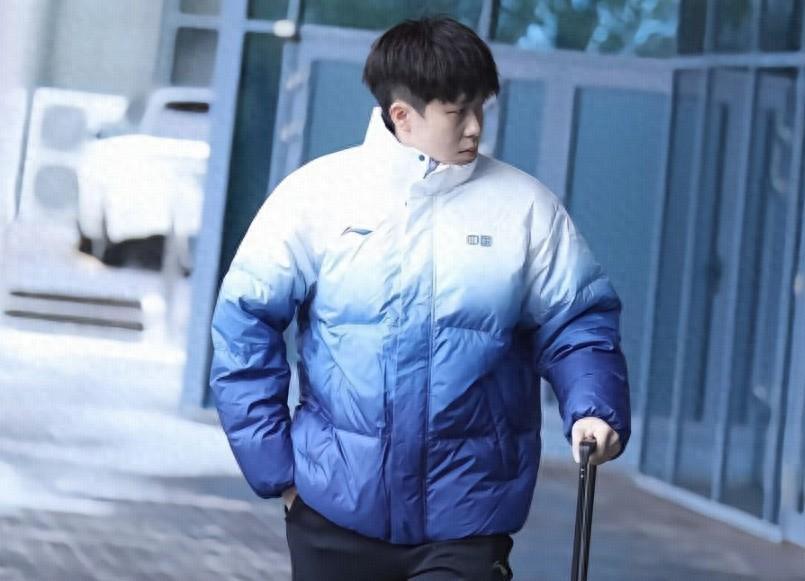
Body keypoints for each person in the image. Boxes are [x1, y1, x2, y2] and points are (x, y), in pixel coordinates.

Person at [210, 16, 630, 581]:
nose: (475, 128)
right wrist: (280, 472)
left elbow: (577, 322)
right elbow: (243, 324)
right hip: (332, 512)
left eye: (481, 108)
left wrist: (593, 407)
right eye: (458, 112)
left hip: (468, 518)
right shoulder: (317, 197)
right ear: (402, 115)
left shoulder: (525, 209)